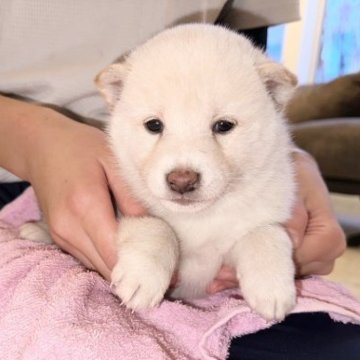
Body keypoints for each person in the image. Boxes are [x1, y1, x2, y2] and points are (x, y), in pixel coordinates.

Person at [0, 1, 358, 359]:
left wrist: (270, 236)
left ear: (273, 95)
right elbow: (131, 220)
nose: (182, 174)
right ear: (116, 97)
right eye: (154, 126)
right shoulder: (128, 162)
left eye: (223, 126)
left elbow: (244, 46)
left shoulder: (256, 113)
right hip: (28, 173)